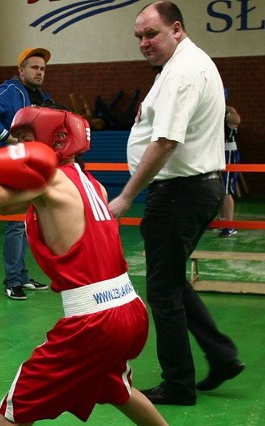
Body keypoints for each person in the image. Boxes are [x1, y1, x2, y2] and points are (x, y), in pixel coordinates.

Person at [0, 100, 168, 425]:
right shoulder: (92, 183)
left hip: (93, 322)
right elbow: (1, 199)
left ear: (54, 139)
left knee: (4, 421)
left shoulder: (49, 179)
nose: (15, 145)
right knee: (118, 389)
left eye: (25, 137)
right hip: (129, 310)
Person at [108, 1, 244, 405]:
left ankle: (179, 384)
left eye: (152, 34)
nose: (144, 43)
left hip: (180, 192)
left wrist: (126, 196)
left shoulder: (183, 71)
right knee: (171, 280)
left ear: (177, 29)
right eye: (139, 38)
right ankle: (221, 355)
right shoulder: (185, 64)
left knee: (162, 290)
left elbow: (167, 141)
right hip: (194, 189)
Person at [0, 47, 53, 300]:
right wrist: (5, 136)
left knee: (25, 223)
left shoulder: (41, 96)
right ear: (21, 70)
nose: (39, 72)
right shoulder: (11, 90)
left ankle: (22, 276)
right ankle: (13, 281)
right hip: (12, 164)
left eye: (42, 68)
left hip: (31, 166)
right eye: (34, 67)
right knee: (15, 224)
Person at [218, 99, 241, 237]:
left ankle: (230, 225)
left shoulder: (228, 115)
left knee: (226, 190)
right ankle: (222, 220)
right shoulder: (215, 113)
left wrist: (227, 109)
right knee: (219, 188)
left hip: (228, 153)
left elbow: (237, 119)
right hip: (218, 152)